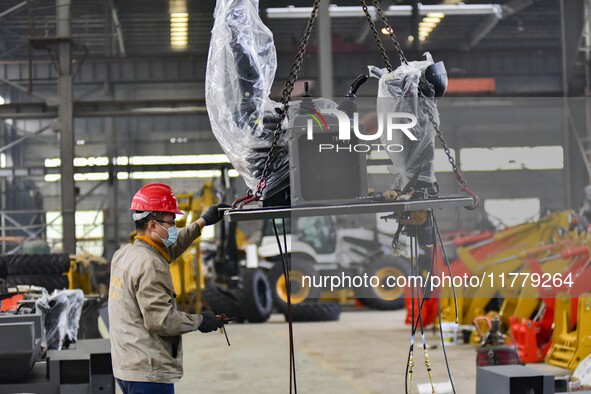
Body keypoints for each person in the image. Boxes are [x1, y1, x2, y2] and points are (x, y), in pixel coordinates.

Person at [109, 183, 229, 393]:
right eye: (171, 223)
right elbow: (161, 320)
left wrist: (203, 222)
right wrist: (200, 321)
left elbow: (171, 247)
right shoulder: (151, 264)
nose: (174, 227)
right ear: (153, 225)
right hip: (149, 372)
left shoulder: (125, 254)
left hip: (126, 365)